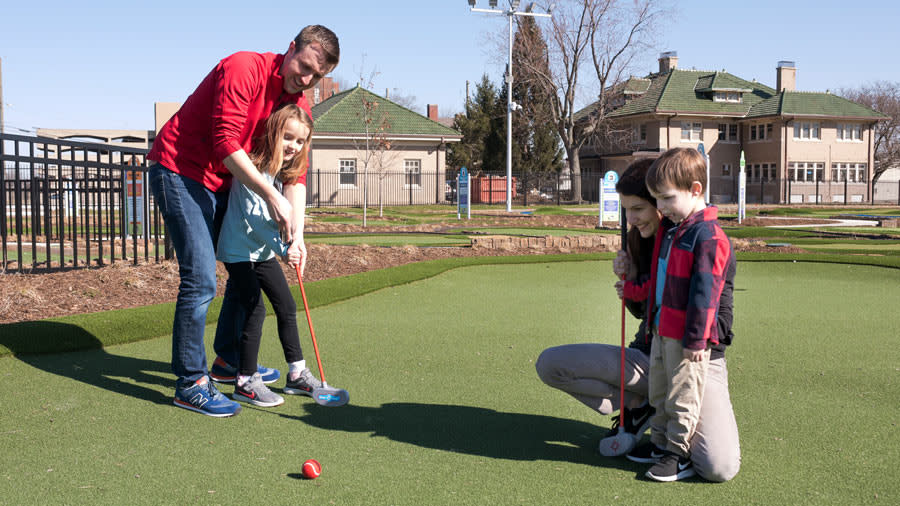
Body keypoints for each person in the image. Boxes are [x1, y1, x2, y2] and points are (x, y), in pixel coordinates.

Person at [147, 25, 340, 417]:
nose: (306, 80)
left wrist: (297, 233)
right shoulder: (244, 68)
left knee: (243, 268)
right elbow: (225, 141)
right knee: (201, 279)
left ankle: (228, 361)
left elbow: (294, 176)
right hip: (180, 170)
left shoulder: (294, 101)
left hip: (224, 184)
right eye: (303, 67)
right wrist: (271, 199)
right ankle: (190, 383)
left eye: (316, 77)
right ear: (291, 49)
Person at [535, 156, 740, 482]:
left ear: (661, 204)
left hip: (696, 358)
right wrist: (631, 282)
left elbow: (719, 316)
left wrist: (691, 339)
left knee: (718, 466)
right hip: (651, 355)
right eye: (626, 210)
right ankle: (642, 406)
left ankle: (669, 427)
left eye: (639, 209)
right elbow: (646, 312)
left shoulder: (702, 238)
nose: (631, 219)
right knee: (550, 364)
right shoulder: (655, 241)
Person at [635, 147, 735, 482]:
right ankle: (660, 443)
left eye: (665, 199)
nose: (659, 208)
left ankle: (677, 453)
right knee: (660, 391)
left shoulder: (708, 236)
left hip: (687, 338)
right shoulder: (674, 229)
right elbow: (660, 282)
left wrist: (696, 340)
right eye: (656, 200)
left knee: (683, 394)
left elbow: (705, 296)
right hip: (663, 331)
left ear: (695, 190)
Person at [217, 104, 323, 408]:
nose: (293, 145)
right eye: (288, 137)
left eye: (300, 141)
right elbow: (255, 219)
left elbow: (286, 218)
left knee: (287, 305)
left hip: (260, 252)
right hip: (238, 251)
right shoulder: (254, 167)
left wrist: (297, 243)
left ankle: (297, 373)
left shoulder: (284, 171)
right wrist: (285, 248)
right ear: (275, 132)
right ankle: (245, 381)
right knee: (254, 308)